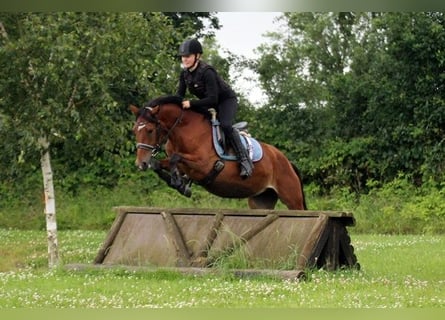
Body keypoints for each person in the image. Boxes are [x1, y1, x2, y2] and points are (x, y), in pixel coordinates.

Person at [176, 38, 253, 179]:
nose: (184, 60)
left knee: (225, 124)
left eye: (188, 56)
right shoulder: (185, 74)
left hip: (225, 101)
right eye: (183, 57)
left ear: (197, 56)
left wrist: (191, 104)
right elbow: (179, 96)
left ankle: (245, 161)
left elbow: (213, 99)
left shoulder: (207, 72)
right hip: (208, 103)